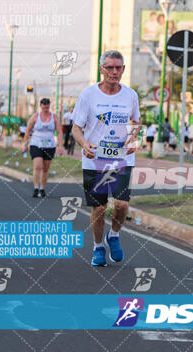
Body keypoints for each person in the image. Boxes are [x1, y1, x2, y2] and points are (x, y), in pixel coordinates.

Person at [71, 50, 140, 267]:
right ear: (101, 69)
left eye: (118, 67)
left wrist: (132, 138)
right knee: (99, 208)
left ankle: (115, 235)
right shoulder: (89, 95)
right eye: (109, 67)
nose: (114, 72)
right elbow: (76, 128)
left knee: (121, 205)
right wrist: (84, 144)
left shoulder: (130, 95)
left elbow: (136, 123)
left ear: (123, 70)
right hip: (95, 159)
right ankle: (98, 246)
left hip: (121, 158)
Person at [22, 98, 64, 197]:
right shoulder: (35, 116)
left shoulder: (54, 117)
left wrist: (61, 146)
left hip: (49, 145)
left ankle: (42, 188)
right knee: (37, 166)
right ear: (40, 106)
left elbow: (59, 132)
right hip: (36, 143)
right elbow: (28, 130)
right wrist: (24, 144)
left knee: (46, 168)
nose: (46, 106)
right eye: (44, 105)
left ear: (49, 106)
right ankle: (36, 187)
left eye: (47, 105)